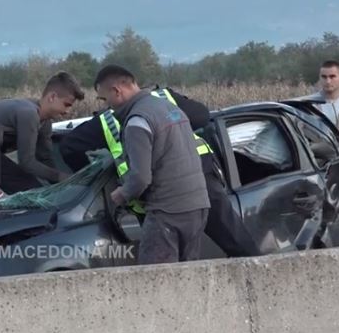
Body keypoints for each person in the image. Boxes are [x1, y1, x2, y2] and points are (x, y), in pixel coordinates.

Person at [59, 82, 261, 258]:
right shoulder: (166, 98)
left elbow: (69, 147)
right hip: (199, 184)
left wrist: (105, 174)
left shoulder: (107, 121)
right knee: (236, 244)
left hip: (156, 196)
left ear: (117, 90)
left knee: (164, 266)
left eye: (104, 98)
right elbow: (202, 116)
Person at [91, 64, 210, 264]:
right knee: (188, 278)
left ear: (117, 91)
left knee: (157, 281)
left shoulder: (138, 121)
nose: (106, 105)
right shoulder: (170, 108)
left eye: (104, 98)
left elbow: (141, 177)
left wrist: (122, 194)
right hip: (198, 206)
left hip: (167, 211)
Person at [0, 71, 84, 204]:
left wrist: (64, 186)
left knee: (31, 189)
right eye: (67, 105)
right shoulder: (28, 113)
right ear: (52, 97)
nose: (68, 112)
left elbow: (45, 158)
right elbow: (26, 161)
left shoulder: (45, 123)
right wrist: (61, 177)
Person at [311, 60, 339, 128]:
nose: (328, 81)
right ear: (319, 78)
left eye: (332, 77)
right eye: (324, 77)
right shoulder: (311, 105)